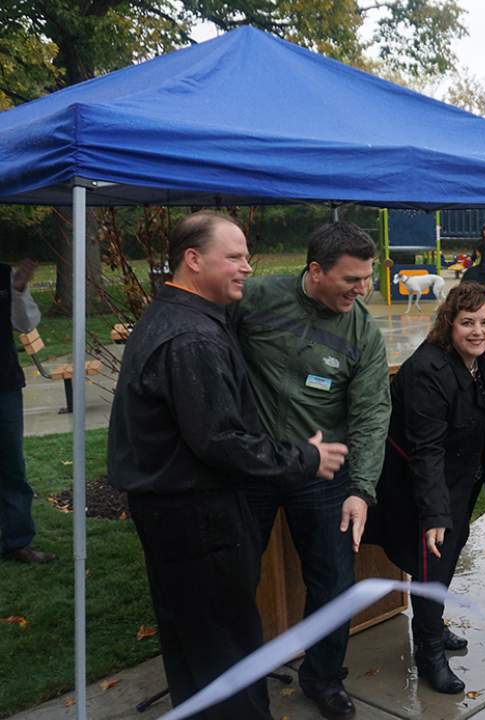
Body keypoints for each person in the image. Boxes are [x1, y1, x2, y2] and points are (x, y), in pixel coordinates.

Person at [108, 211, 347, 718]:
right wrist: (305, 456)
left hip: (178, 517)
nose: (246, 267)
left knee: (196, 651)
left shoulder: (182, 319)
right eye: (234, 257)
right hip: (198, 520)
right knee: (223, 654)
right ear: (193, 260)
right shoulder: (192, 338)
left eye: (246, 256)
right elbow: (220, 441)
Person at [229, 221, 390, 720]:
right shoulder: (253, 299)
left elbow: (370, 412)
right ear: (315, 271)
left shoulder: (362, 330)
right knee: (231, 575)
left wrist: (360, 488)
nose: (363, 290)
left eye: (368, 277)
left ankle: (322, 676)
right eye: (352, 280)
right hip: (250, 466)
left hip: (323, 473)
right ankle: (233, 674)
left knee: (335, 581)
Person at [367, 283, 485, 694]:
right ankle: (428, 654)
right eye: (467, 323)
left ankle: (433, 624)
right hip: (421, 484)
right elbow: (426, 450)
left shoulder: (479, 361)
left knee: (443, 564)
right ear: (449, 324)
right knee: (432, 563)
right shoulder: (428, 370)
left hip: (457, 480)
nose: (478, 331)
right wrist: (435, 514)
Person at [1, 258, 55, 564]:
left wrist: (19, 289)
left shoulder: (5, 276)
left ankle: (17, 541)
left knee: (11, 466)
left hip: (4, 384)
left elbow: (26, 324)